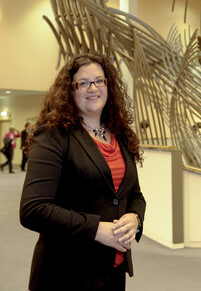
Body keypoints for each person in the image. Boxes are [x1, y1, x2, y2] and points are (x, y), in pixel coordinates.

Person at [20, 53, 146, 291]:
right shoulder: (53, 135)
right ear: (70, 90)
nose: (93, 88)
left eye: (100, 81)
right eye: (83, 83)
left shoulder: (119, 135)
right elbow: (33, 209)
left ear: (108, 85)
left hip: (113, 271)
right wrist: (97, 229)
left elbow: (135, 195)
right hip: (66, 274)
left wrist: (135, 218)